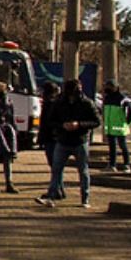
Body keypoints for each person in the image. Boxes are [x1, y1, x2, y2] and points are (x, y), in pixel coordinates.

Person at [36, 79, 100, 210]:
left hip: (80, 140)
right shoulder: (60, 103)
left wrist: (80, 124)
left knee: (83, 171)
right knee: (56, 170)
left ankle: (85, 197)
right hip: (63, 140)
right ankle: (51, 196)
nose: (71, 96)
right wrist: (62, 125)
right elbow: (51, 120)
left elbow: (96, 121)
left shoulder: (87, 103)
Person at [35, 81, 63, 200]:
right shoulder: (53, 103)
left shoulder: (50, 104)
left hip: (51, 138)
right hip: (52, 137)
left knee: (55, 166)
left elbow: (46, 123)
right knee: (55, 166)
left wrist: (41, 138)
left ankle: (55, 190)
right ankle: (58, 189)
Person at [101, 79, 131, 175]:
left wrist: (126, 123)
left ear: (116, 87)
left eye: (109, 86)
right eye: (106, 86)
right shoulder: (107, 98)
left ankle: (127, 165)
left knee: (123, 146)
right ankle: (112, 165)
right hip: (110, 127)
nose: (107, 88)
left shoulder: (122, 99)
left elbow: (130, 113)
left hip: (120, 127)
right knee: (112, 147)